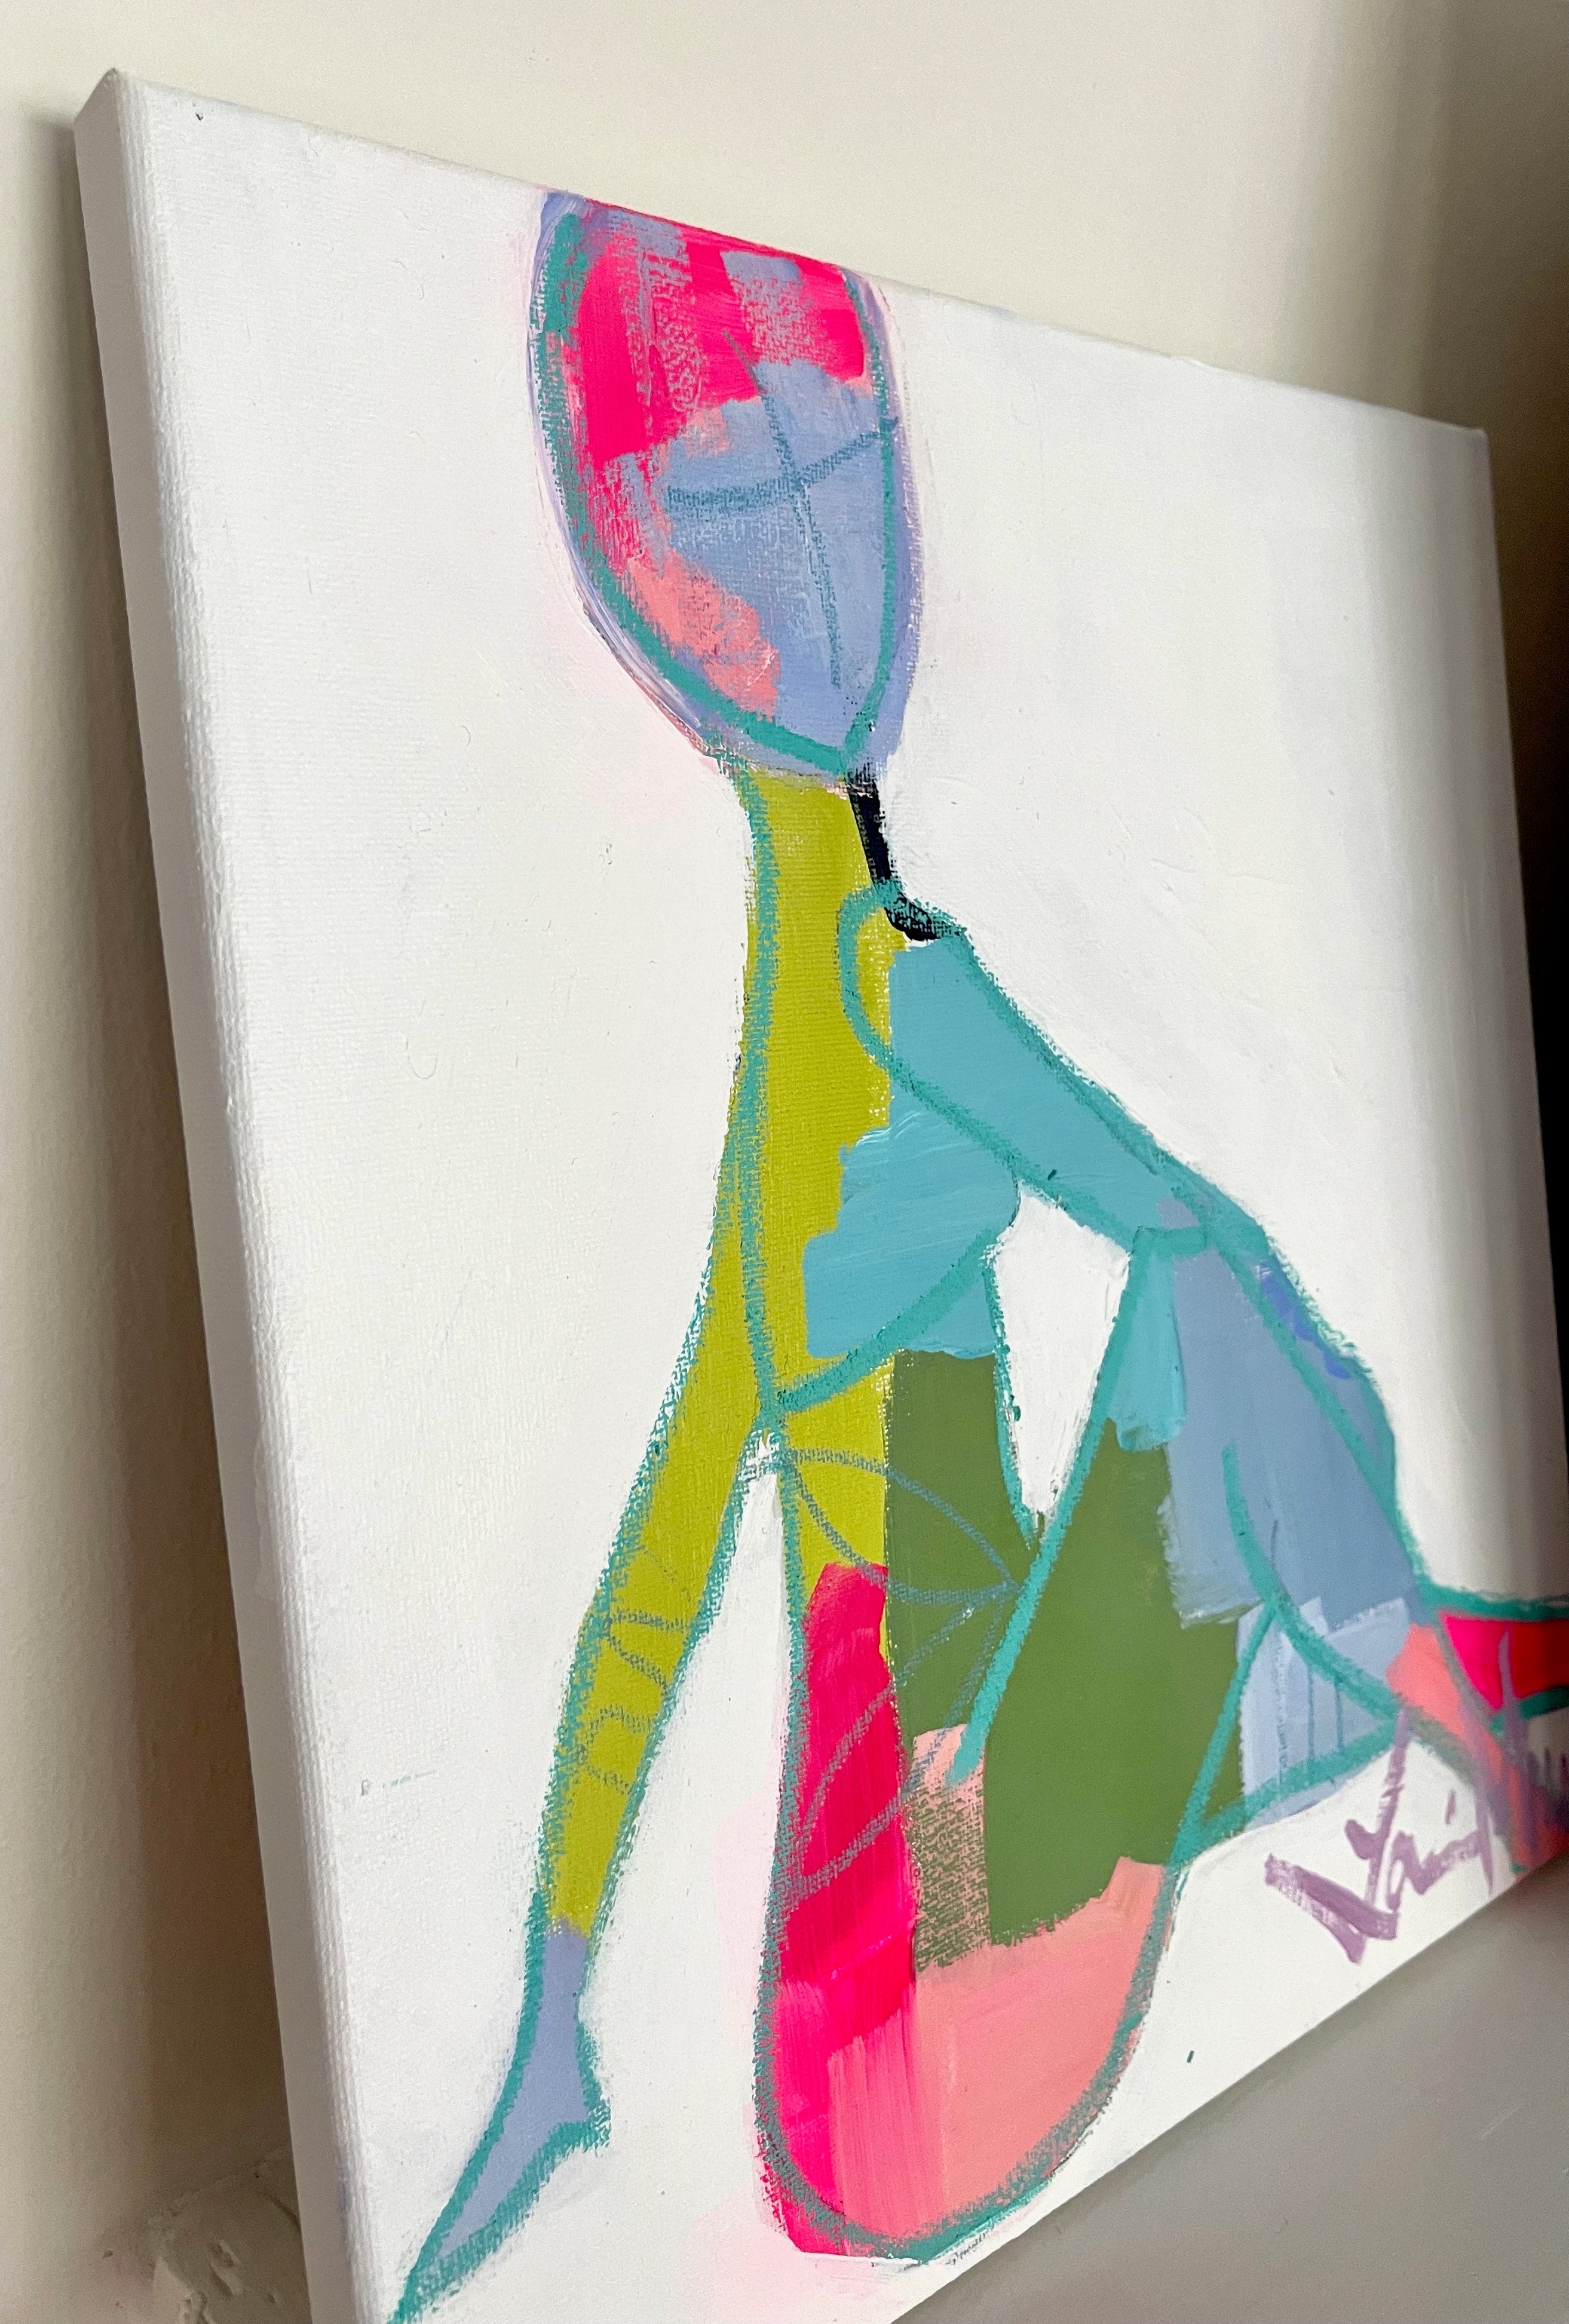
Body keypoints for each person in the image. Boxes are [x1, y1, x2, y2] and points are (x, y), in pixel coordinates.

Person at [393, 195, 1568, 2318]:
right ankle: (1453, 1701)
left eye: (835, 475)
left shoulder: (783, 1092)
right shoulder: (886, 977)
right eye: (744, 513)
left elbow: (660, 1586)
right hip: (943, 1978)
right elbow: (1184, 1236)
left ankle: (1415, 1668)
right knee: (1211, 1296)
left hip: (862, 2066)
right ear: (663, 591)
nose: (816, 565)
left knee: (1204, 1439)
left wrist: (554, 2023)